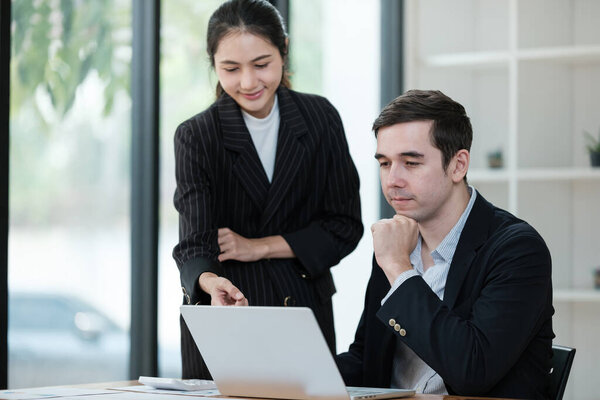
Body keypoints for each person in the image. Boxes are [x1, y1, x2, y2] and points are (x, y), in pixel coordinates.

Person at [173, 0, 363, 379]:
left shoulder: (321, 118)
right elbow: (195, 243)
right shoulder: (197, 135)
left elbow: (345, 225)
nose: (248, 82)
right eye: (231, 68)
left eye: (261, 64)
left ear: (285, 51)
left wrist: (259, 246)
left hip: (302, 311)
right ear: (213, 63)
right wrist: (212, 284)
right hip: (225, 313)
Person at [336, 90, 554, 399]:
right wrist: (278, 361)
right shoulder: (396, 243)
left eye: (411, 163)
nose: (392, 179)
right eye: (384, 163)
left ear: (458, 165)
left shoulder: (517, 250)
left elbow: (473, 371)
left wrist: (399, 268)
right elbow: (365, 359)